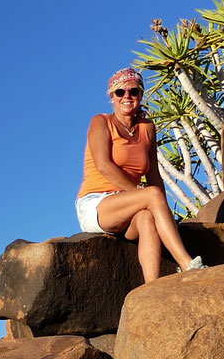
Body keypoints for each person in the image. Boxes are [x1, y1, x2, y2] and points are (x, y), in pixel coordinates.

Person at [77, 68, 205, 284]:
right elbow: (103, 165)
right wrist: (142, 195)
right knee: (150, 195)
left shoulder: (147, 128)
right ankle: (187, 264)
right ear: (112, 97)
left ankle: (152, 288)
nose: (127, 96)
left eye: (133, 91)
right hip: (97, 203)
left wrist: (163, 214)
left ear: (141, 95)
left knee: (147, 218)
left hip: (133, 204)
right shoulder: (101, 122)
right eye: (120, 92)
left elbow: (154, 176)